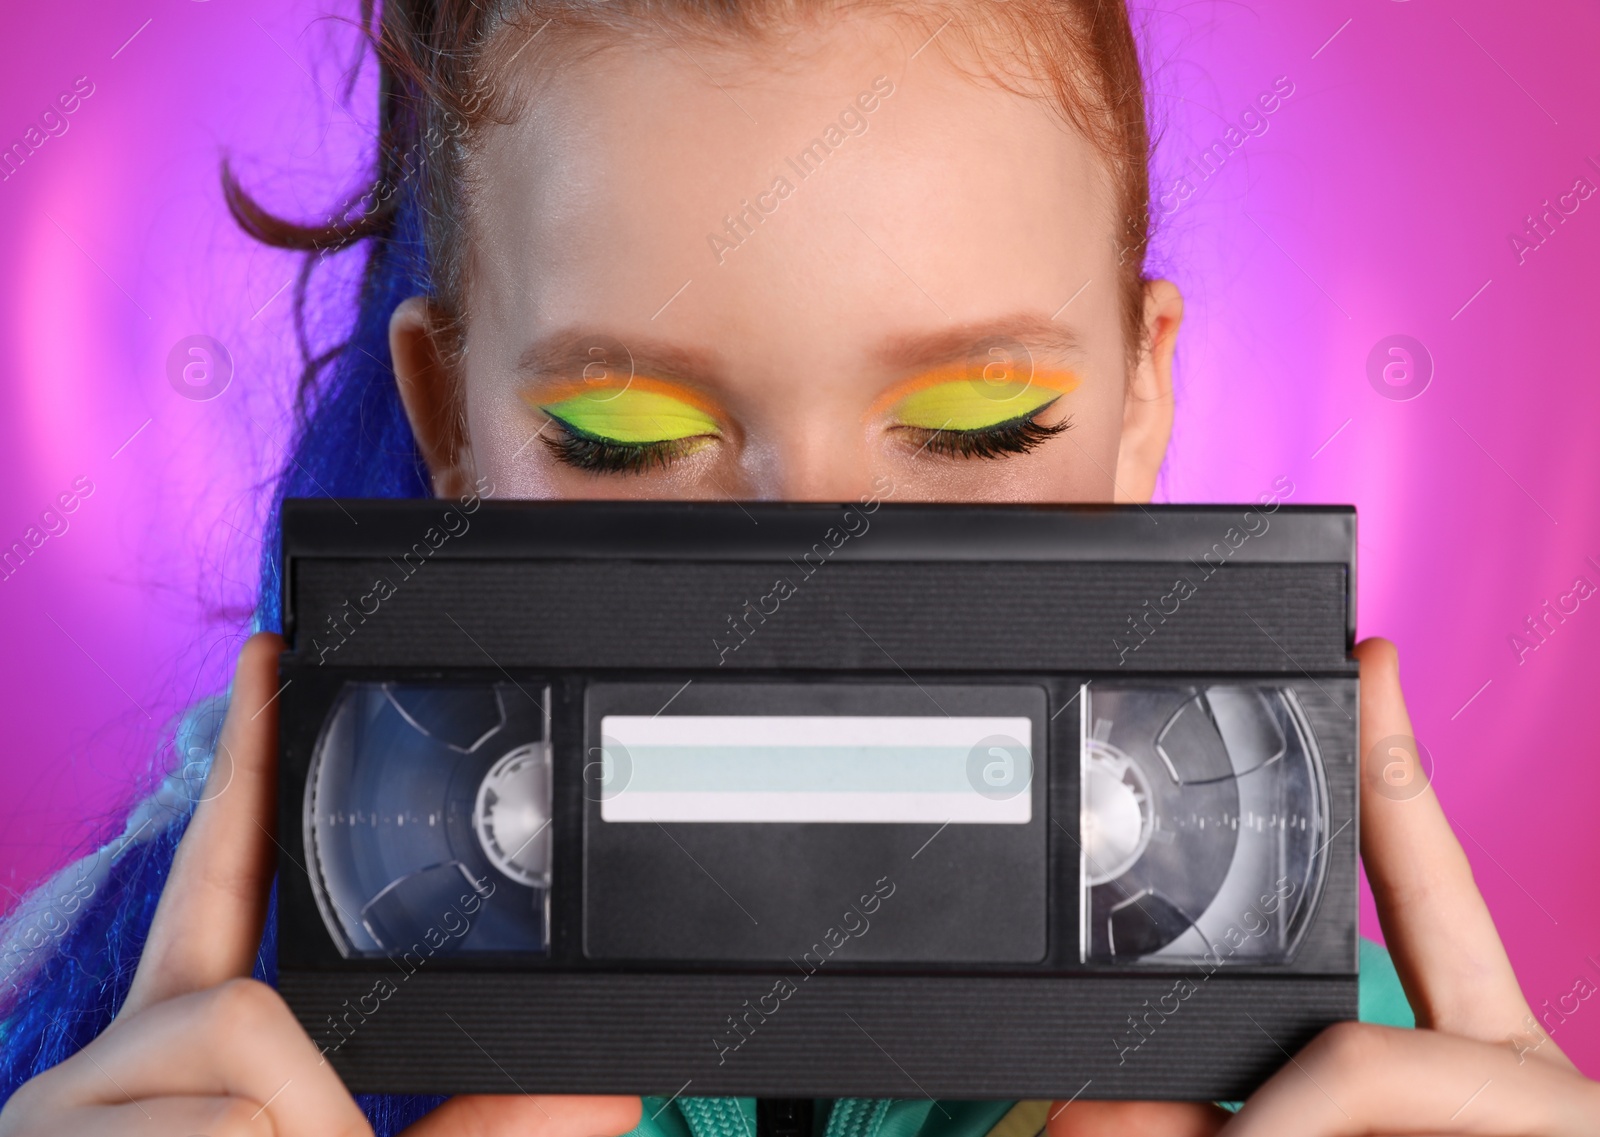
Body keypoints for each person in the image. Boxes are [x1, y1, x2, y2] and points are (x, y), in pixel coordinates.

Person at [1, 0, 1595, 1134]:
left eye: (981, 425)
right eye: (622, 435)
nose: (810, 587)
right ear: (448, 422)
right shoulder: (166, 1057)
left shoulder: (1359, 1083)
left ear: (1142, 402)